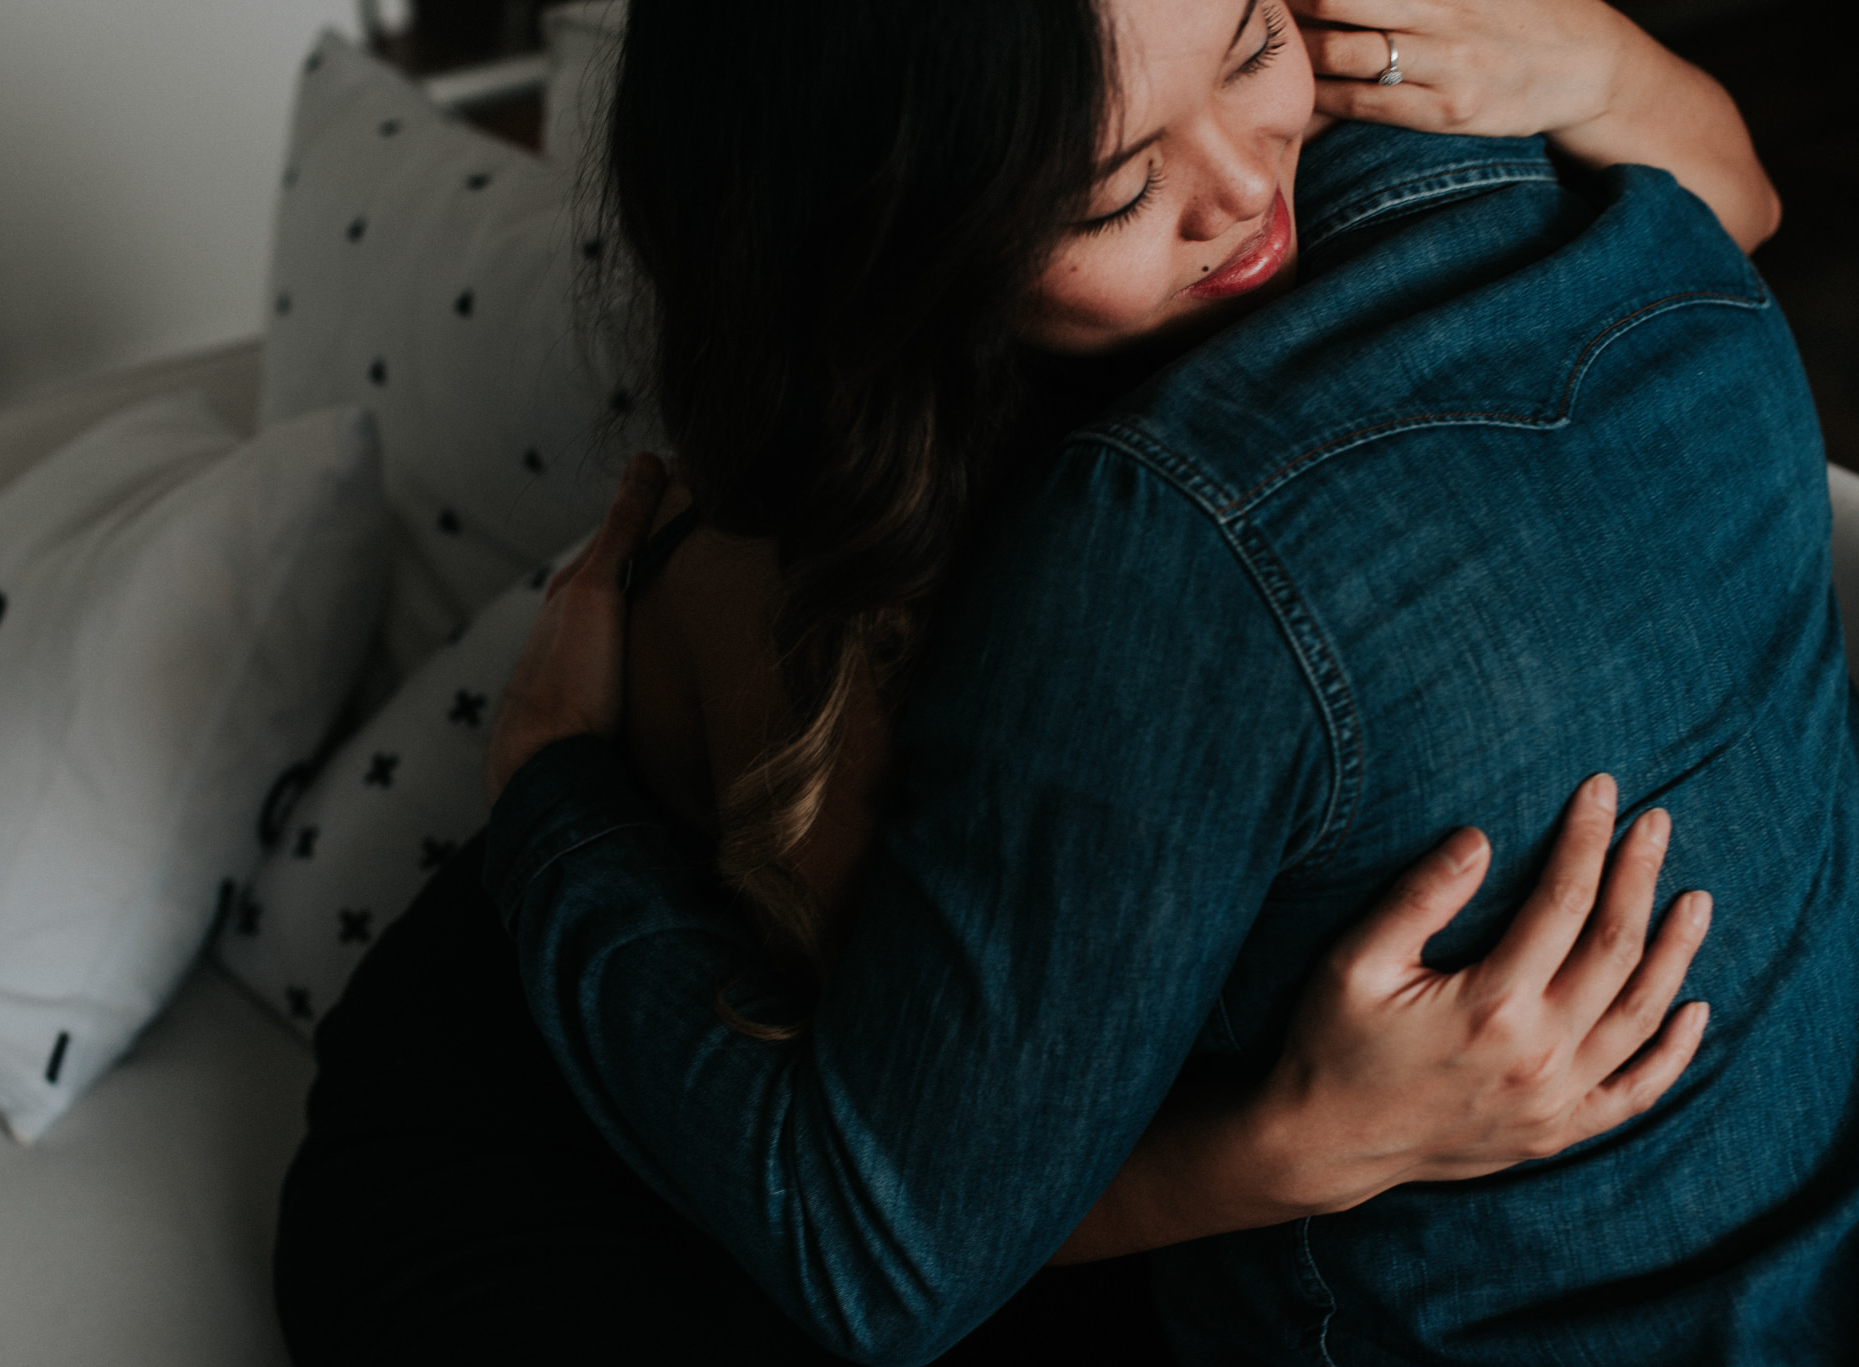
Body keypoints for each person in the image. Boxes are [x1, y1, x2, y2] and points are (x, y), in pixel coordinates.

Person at [276, 1, 1844, 1363]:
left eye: (1251, 46)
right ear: (896, 237)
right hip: (601, 1130)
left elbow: (880, 1254)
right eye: (1111, 190)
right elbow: (893, 1229)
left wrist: (1599, 61)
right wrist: (1285, 1146)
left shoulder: (1207, 350)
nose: (1243, 191)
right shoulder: (896, 571)